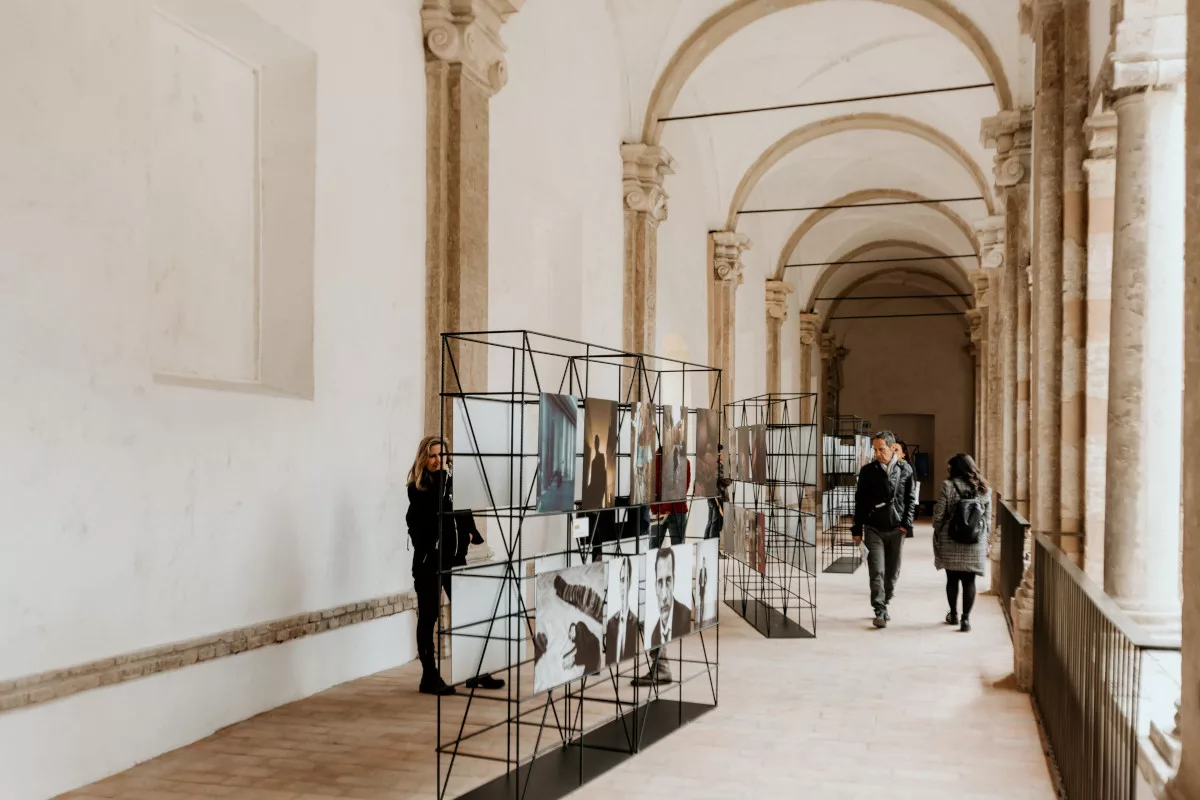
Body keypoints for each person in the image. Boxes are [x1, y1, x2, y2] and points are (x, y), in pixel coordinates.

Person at [406, 435, 505, 695]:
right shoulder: (419, 488)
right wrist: (443, 479)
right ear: (424, 459)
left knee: (468, 613)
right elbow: (429, 514)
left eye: (443, 455)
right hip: (429, 562)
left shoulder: (453, 483)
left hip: (454, 560)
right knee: (429, 617)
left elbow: (464, 511)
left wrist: (470, 532)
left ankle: (475, 672)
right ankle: (429, 677)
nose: (439, 460)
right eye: (433, 456)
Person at [852, 430, 917, 629]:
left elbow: (910, 500)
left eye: (881, 449)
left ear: (892, 448)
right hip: (874, 528)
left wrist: (906, 525)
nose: (877, 453)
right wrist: (857, 528)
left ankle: (886, 600)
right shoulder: (867, 471)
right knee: (876, 570)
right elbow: (860, 501)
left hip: (897, 529)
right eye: (875, 450)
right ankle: (879, 609)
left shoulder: (905, 470)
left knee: (893, 571)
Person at [932, 453, 991, 633]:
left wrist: (938, 529)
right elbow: (987, 520)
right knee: (969, 580)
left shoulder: (948, 486)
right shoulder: (984, 489)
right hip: (974, 540)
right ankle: (966, 619)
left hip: (951, 538)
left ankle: (953, 614)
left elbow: (938, 517)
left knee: (952, 579)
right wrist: (985, 539)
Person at [652, 445, 690, 548]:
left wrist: (658, 508)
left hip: (662, 510)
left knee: (653, 549)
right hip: (675, 509)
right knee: (678, 549)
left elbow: (652, 487)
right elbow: (682, 488)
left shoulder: (656, 459)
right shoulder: (683, 461)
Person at [604, 556, 639, 664]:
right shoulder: (611, 622)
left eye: (626, 580)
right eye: (622, 580)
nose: (623, 586)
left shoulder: (635, 621)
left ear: (630, 583)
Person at [705, 443, 732, 540]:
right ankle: (714, 551)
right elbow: (727, 481)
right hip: (719, 498)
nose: (724, 455)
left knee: (711, 522)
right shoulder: (718, 466)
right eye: (722, 453)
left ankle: (707, 548)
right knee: (716, 524)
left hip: (712, 498)